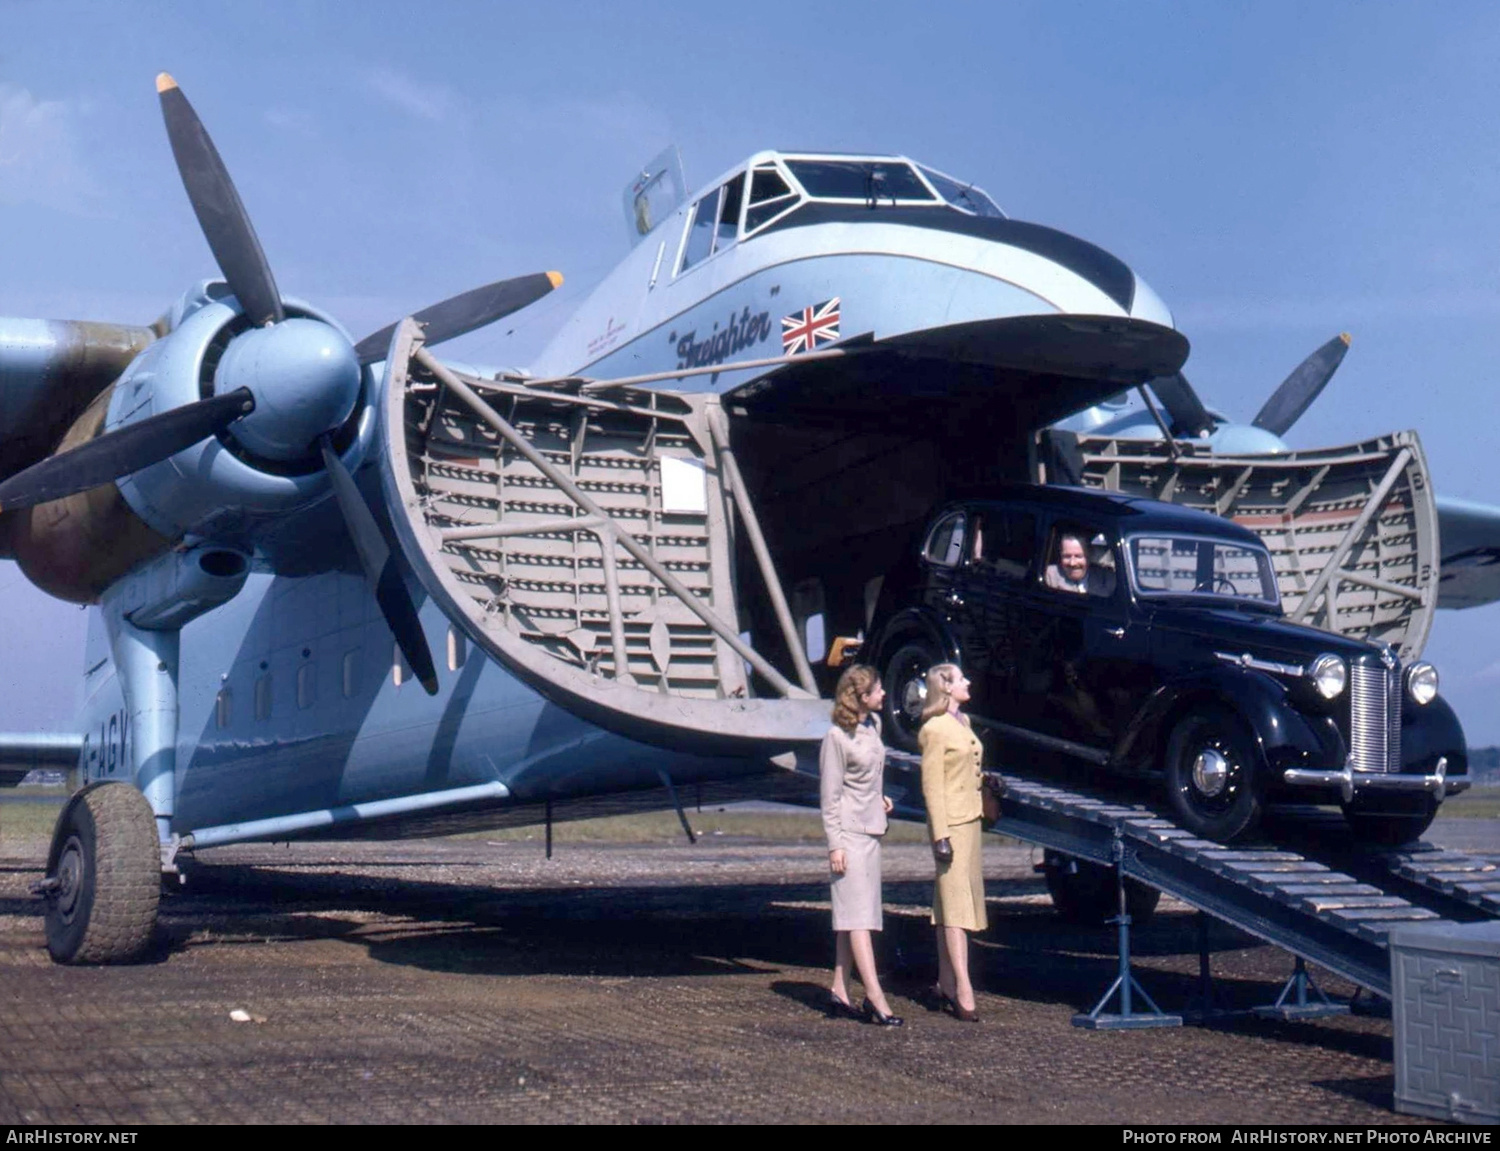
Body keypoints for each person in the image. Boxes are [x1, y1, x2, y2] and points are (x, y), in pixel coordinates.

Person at [819, 664, 903, 1027]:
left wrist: (879, 798)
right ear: (861, 696)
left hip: (870, 830)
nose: (884, 694)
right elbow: (830, 796)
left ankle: (840, 988)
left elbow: (867, 777)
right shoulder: (836, 737)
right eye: (878, 690)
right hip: (849, 835)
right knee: (859, 920)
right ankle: (875, 996)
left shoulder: (874, 727)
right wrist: (834, 846)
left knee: (855, 914)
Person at [918, 663, 986, 1022]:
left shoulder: (964, 723)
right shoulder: (934, 729)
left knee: (951, 905)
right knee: (957, 909)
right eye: (961, 678)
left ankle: (945, 982)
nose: (968, 681)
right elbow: (932, 786)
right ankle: (963, 987)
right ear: (944, 687)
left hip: (970, 820)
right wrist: (940, 835)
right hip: (952, 826)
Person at [1045, 532, 1115, 596]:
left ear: (1089, 555)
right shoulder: (1049, 576)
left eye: (1078, 556)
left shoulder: (1105, 578)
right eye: (1067, 556)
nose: (1072, 563)